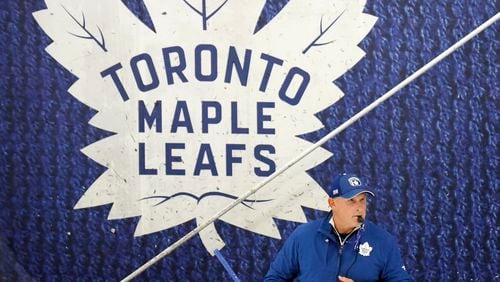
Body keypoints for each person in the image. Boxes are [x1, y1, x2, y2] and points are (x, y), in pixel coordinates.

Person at [264, 173, 410, 281]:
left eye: (362, 200)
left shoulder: (382, 241)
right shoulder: (304, 236)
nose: (359, 208)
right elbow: (274, 278)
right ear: (332, 203)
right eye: (351, 201)